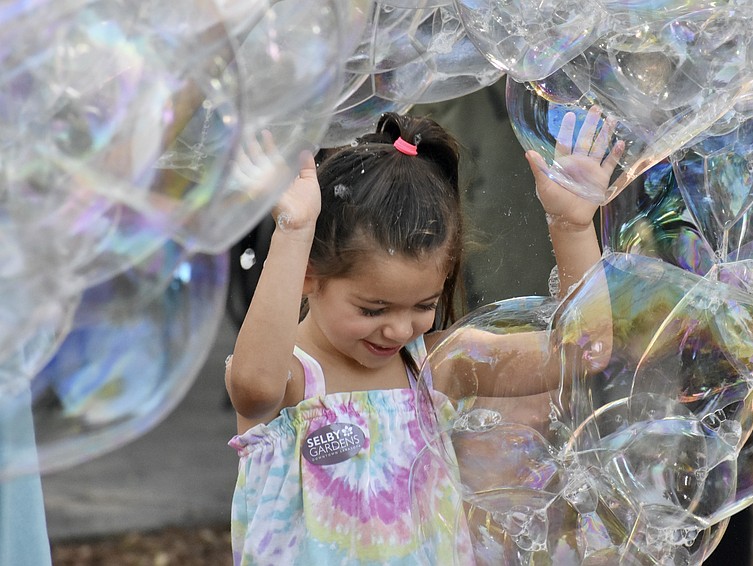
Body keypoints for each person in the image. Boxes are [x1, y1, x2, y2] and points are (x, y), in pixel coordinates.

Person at [224, 108, 623, 564]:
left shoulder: (434, 365)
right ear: (310, 276)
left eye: (423, 306)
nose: (398, 329)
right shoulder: (290, 376)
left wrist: (571, 226)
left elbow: (582, 351)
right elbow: (253, 388)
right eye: (372, 309)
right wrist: (294, 234)